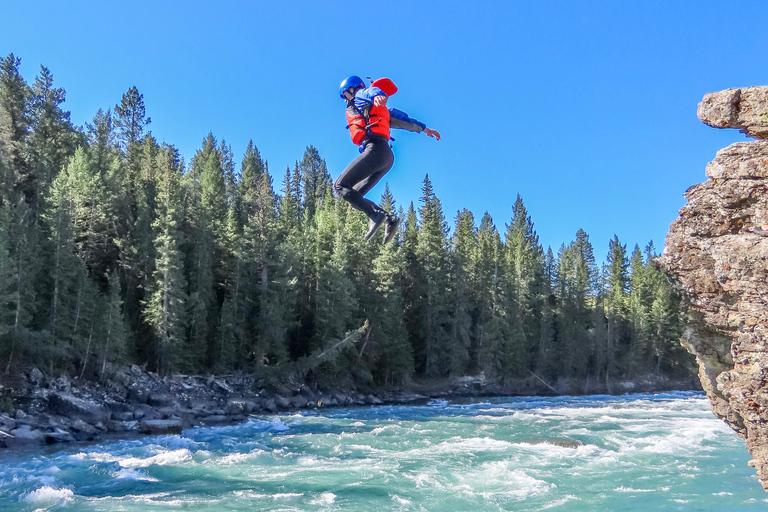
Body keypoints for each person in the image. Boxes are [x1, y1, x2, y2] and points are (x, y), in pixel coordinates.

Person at [334, 76, 441, 243]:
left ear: (351, 90)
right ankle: (388, 220)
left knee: (340, 186)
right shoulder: (379, 112)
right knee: (354, 194)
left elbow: (369, 92)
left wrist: (376, 94)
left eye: (345, 96)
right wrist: (425, 129)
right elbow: (405, 120)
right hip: (386, 158)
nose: (345, 100)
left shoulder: (361, 96)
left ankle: (376, 215)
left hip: (375, 151)